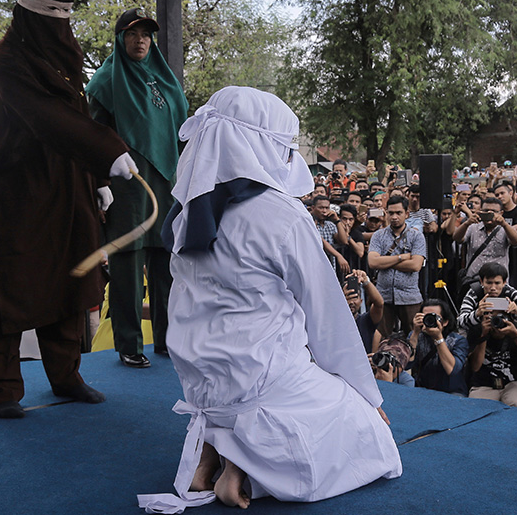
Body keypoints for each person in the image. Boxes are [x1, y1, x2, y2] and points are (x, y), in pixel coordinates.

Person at [141, 87, 400, 512]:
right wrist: (368, 397)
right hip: (260, 379)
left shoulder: (184, 212)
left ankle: (211, 451)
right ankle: (244, 471)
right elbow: (327, 318)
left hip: (200, 380)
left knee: (240, 383)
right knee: (370, 436)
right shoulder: (281, 214)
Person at [0, 0, 132, 418]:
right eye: (52, 14)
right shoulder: (6, 58)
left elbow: (73, 114)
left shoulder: (64, 56)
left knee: (70, 276)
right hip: (15, 189)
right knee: (7, 284)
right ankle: (1, 388)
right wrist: (106, 152)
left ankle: (66, 375)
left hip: (67, 183)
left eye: (67, 14)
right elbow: (43, 116)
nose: (60, 23)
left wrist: (96, 180)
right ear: (29, 11)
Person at [86, 8, 187, 367]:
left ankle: (167, 339)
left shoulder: (166, 79)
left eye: (146, 34)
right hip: (127, 187)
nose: (141, 40)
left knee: (165, 264)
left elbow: (182, 134)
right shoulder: (104, 82)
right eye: (132, 33)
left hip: (165, 185)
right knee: (128, 264)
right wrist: (100, 185)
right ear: (119, 38)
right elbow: (92, 139)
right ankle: (129, 344)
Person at [466, 296, 517, 407]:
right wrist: (483, 337)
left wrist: (516, 336)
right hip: (484, 385)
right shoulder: (477, 330)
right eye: (493, 316)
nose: (498, 321)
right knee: (477, 408)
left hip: (514, 383)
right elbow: (475, 367)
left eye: (502, 316)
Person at [368, 196, 426, 334]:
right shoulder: (378, 235)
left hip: (409, 295)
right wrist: (401, 257)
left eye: (398, 213)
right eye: (391, 213)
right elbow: (372, 262)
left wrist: (385, 262)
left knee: (413, 336)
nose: (394, 217)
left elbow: (415, 265)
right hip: (383, 295)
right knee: (381, 335)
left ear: (406, 214)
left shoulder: (416, 236)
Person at [408, 300, 469, 395]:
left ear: (445, 322)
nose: (430, 319)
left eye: (435, 317)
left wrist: (438, 338)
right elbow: (407, 364)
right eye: (426, 316)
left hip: (452, 391)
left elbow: (452, 370)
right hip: (423, 389)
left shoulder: (458, 340)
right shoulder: (415, 336)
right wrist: (415, 333)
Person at [457, 262, 517, 335]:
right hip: (480, 334)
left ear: (504, 282)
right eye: (489, 283)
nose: (493, 288)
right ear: (481, 282)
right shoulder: (474, 293)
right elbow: (460, 320)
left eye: (497, 283)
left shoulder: (508, 290)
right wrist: (477, 313)